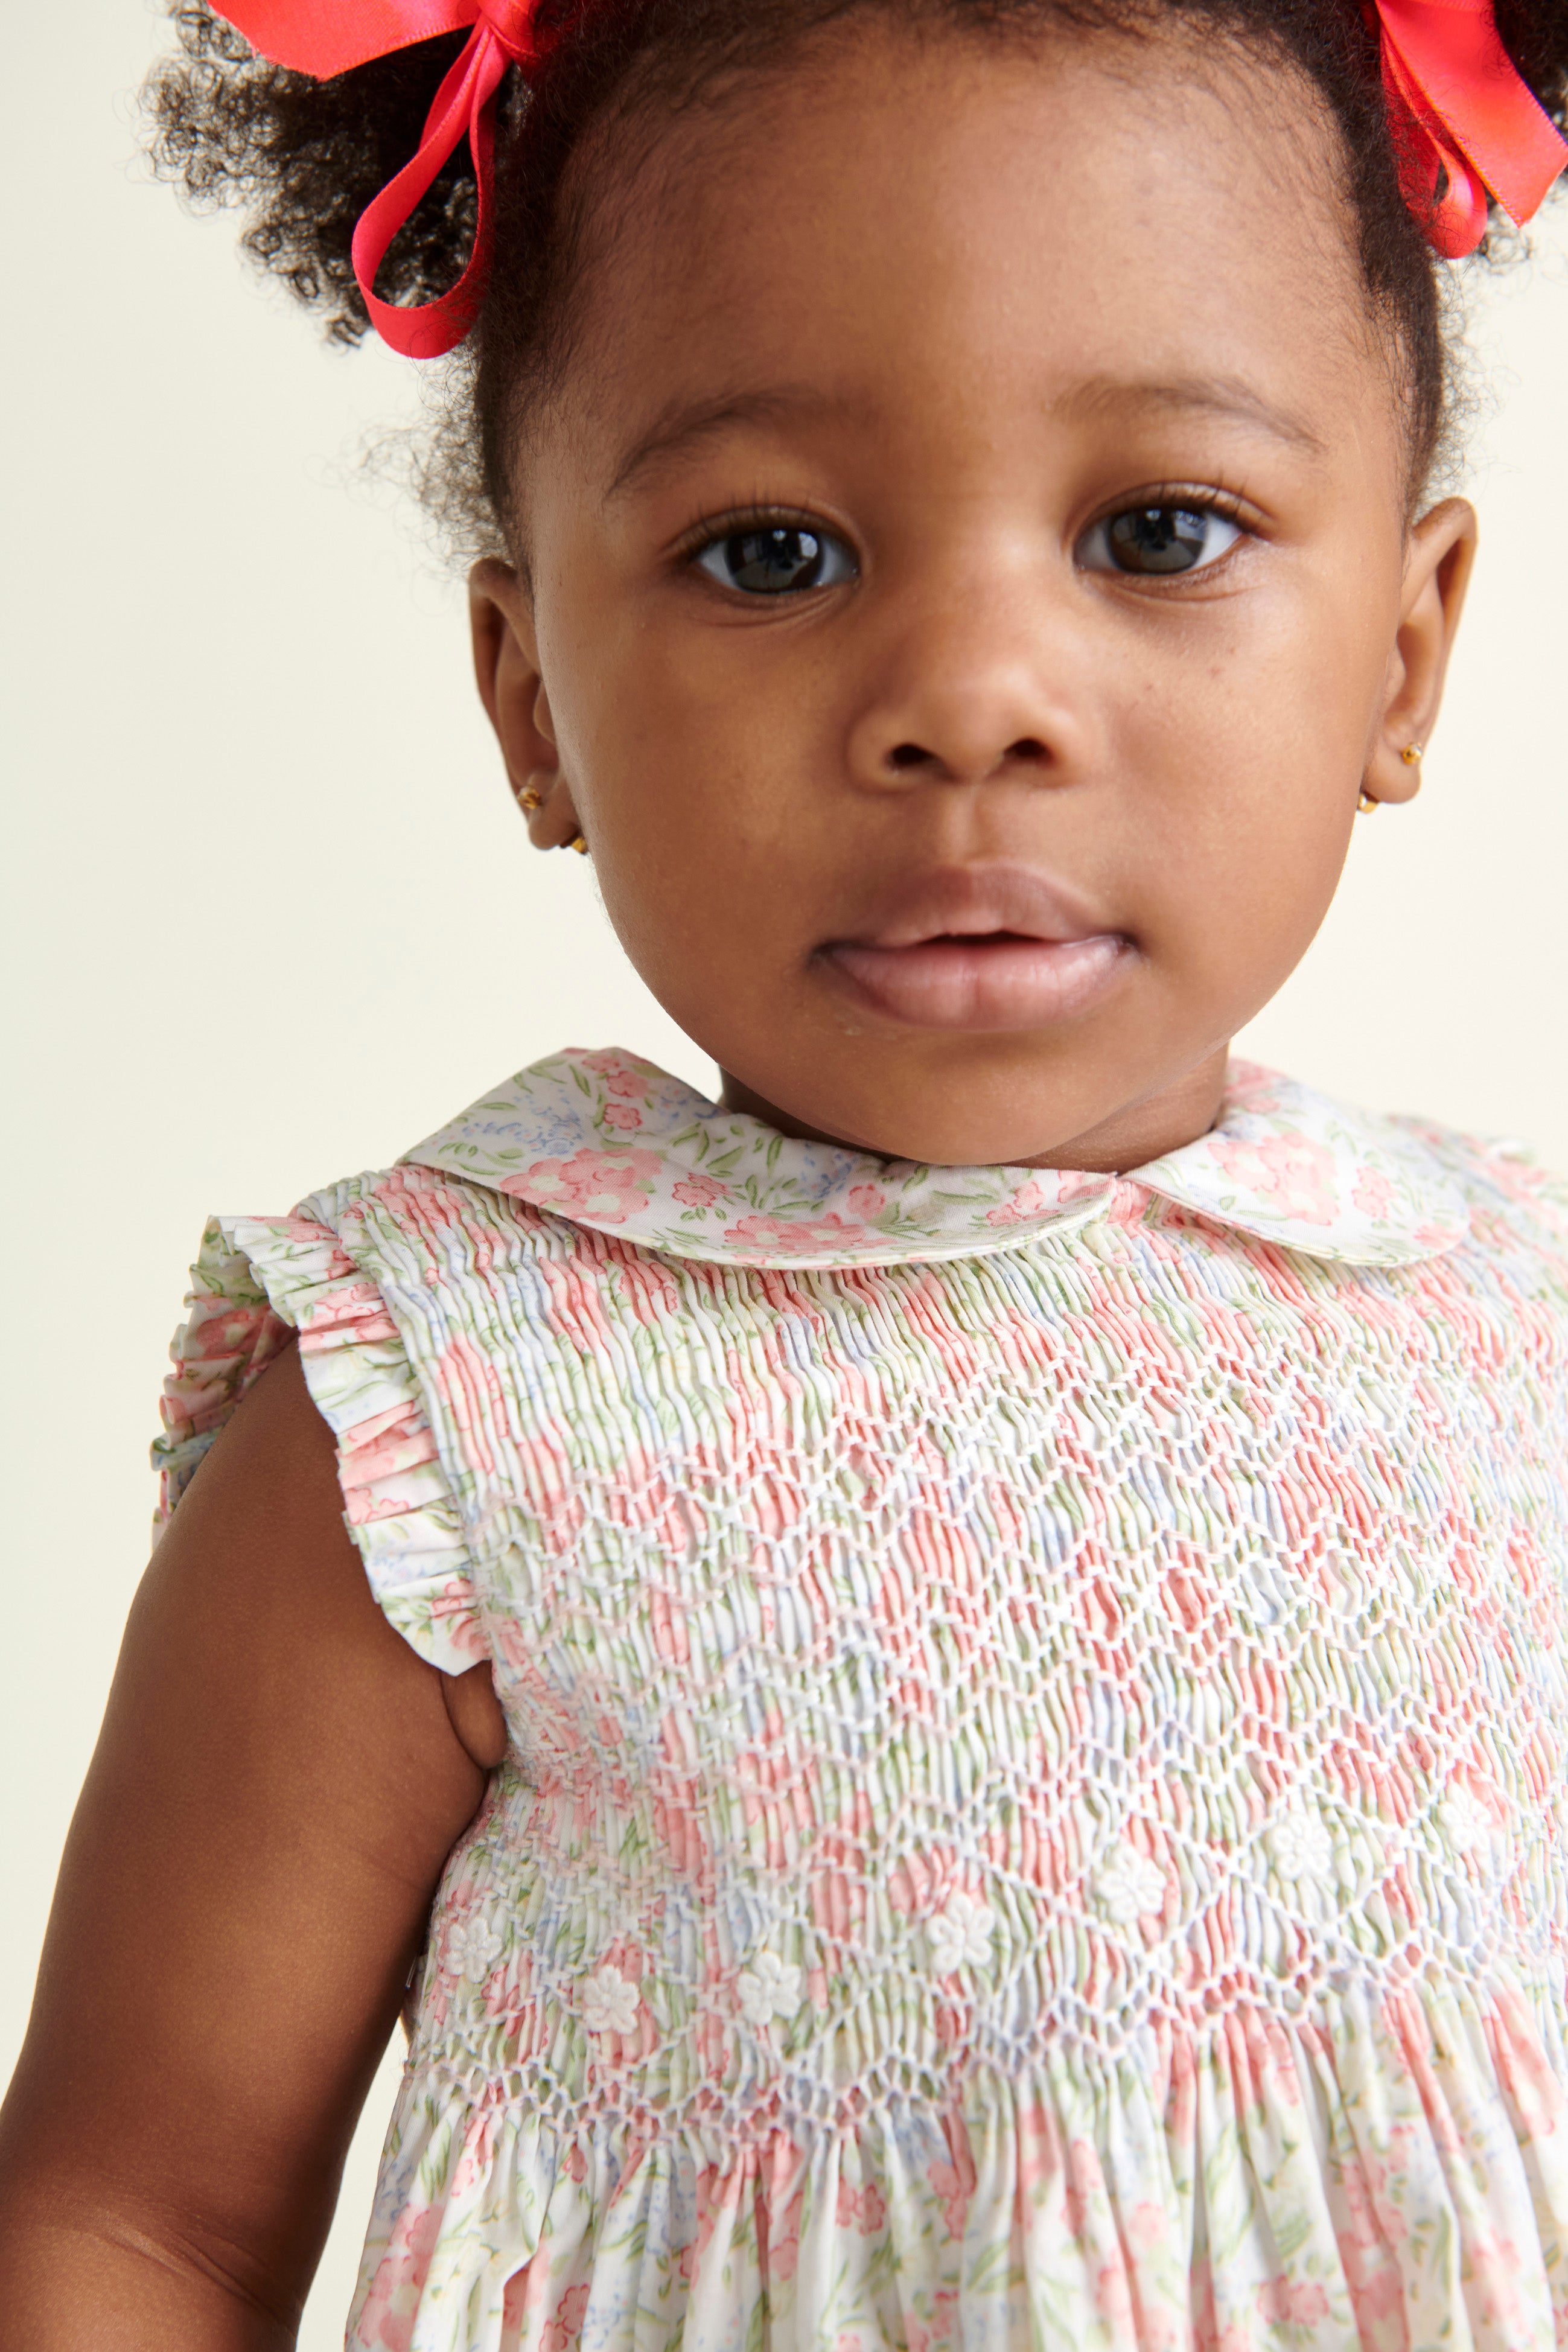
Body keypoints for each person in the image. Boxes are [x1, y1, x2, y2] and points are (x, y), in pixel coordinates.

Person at [5, 0, 1568, 2342]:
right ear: (530, 701)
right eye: (769, 553)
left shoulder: (1525, 1318)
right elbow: (138, 2220)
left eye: (1155, 531)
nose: (966, 689)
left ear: (1401, 653)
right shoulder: (447, 1419)